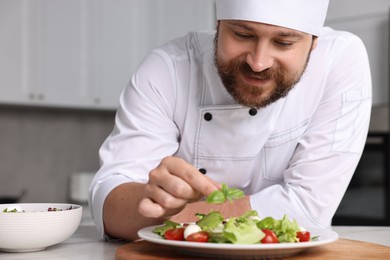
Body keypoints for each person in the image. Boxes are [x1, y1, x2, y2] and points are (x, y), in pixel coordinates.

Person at [89, 0, 372, 241]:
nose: (258, 62)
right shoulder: (168, 69)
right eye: (242, 34)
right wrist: (152, 202)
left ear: (313, 43)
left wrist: (181, 217)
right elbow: (107, 204)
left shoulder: (339, 61)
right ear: (218, 24)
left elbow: (308, 211)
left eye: (283, 43)